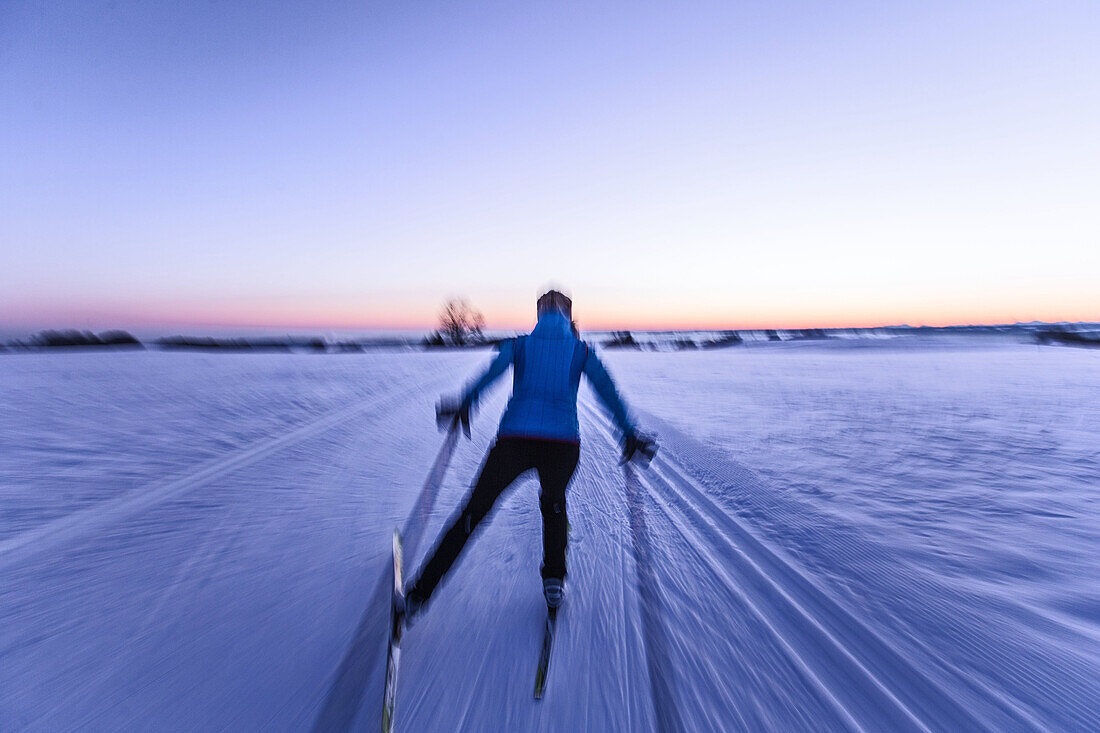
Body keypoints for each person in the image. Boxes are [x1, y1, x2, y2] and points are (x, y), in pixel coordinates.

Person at [404, 290, 655, 619]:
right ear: (569, 315)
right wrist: (628, 432)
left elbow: (490, 375)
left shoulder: (520, 345)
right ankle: (554, 579)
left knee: (473, 511)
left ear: (539, 315)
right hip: (563, 445)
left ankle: (418, 595)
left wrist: (466, 403)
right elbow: (608, 390)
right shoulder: (580, 350)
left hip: (514, 441)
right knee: (554, 506)